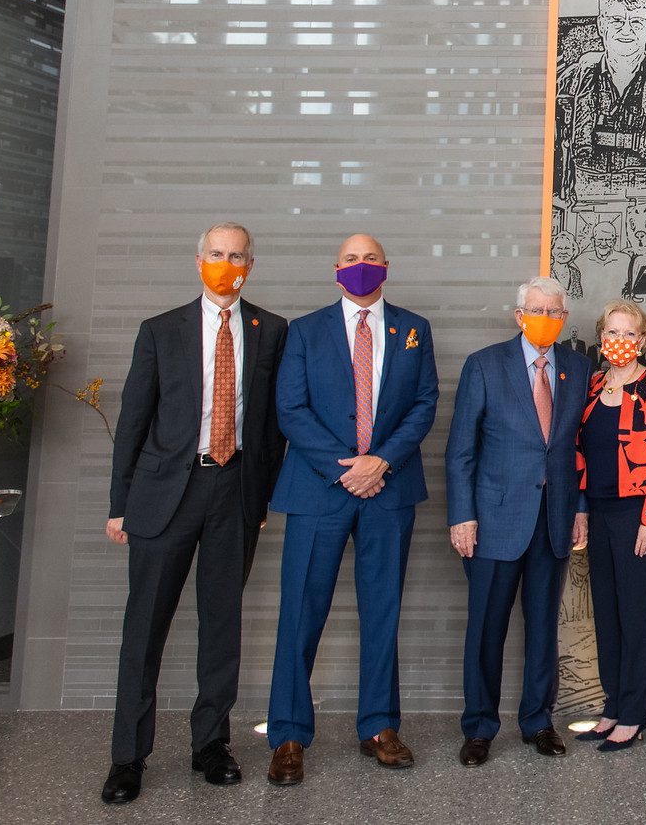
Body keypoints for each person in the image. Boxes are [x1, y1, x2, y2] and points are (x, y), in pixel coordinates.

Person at [100, 223, 289, 806]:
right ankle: (128, 757)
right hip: (164, 496)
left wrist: (259, 498)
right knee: (145, 629)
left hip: (233, 492)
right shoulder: (161, 331)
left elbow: (273, 427)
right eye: (216, 254)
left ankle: (211, 746)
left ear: (249, 265)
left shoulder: (271, 330)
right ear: (198, 259)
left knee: (222, 625)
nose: (225, 263)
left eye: (236, 256)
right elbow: (133, 421)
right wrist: (119, 505)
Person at [264, 234, 438, 786]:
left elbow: (424, 403)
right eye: (350, 259)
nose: (360, 267)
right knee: (300, 613)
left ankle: (380, 727)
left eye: (370, 258)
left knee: (382, 612)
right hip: (319, 490)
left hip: (389, 490)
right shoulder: (306, 330)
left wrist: (380, 461)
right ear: (334, 269)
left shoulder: (414, 328)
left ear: (386, 266)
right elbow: (290, 408)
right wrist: (346, 468)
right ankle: (289, 734)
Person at [445, 275, 594, 763]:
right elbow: (461, 451)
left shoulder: (578, 368)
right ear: (518, 315)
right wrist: (463, 516)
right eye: (537, 310)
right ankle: (480, 727)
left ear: (564, 318)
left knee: (542, 628)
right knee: (485, 628)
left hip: (553, 521)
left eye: (554, 312)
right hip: (493, 522)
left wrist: (579, 511)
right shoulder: (484, 366)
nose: (545, 319)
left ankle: (537, 721)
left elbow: (579, 451)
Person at [570, 298, 646, 752]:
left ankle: (633, 715)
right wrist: (580, 510)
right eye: (612, 332)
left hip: (637, 515)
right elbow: (576, 453)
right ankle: (612, 706)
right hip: (599, 512)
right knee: (606, 616)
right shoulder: (589, 388)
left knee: (635, 616)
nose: (620, 341)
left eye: (629, 334)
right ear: (600, 337)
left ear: (643, 340)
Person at [555, 0, 646, 203]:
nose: (626, 30)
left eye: (636, 21)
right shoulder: (571, 82)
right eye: (616, 21)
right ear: (601, 25)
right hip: (585, 200)